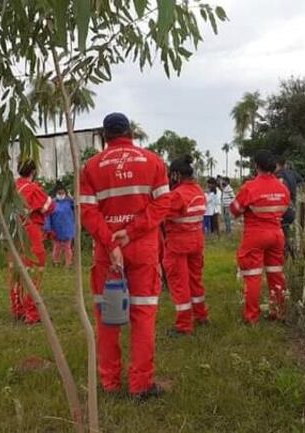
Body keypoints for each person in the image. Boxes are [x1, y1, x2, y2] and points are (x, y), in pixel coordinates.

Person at [80, 112, 171, 399]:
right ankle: (140, 385)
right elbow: (163, 205)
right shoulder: (153, 161)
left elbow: (87, 211)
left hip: (108, 253)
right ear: (131, 132)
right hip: (143, 247)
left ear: (105, 136)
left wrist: (111, 241)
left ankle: (109, 383)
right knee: (143, 315)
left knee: (108, 317)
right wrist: (131, 232)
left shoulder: (90, 167)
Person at [230, 150, 291, 324]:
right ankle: (278, 311)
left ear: (256, 166)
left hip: (256, 235)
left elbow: (234, 210)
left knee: (253, 276)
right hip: (277, 234)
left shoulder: (250, 187)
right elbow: (286, 207)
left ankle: (251, 317)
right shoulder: (282, 187)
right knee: (276, 274)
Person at [163, 155, 209, 336]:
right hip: (196, 241)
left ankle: (183, 325)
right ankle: (201, 315)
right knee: (195, 280)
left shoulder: (177, 195)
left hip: (178, 245)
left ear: (175, 175)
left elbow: (161, 214)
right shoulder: (198, 191)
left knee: (180, 283)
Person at [10, 159, 56, 325]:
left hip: (13, 235)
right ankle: (32, 312)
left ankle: (18, 310)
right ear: (33, 171)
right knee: (34, 271)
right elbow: (49, 207)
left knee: (16, 272)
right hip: (30, 232)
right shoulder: (32, 189)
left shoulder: (12, 189)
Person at [276, 156, 304, 259]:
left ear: (277, 165)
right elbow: (301, 181)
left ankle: (288, 254)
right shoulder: (293, 173)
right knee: (285, 230)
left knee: (282, 232)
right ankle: (289, 253)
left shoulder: (278, 176)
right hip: (292, 207)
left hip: (283, 208)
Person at [45, 184, 75, 267]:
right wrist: (48, 228)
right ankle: (55, 262)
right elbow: (47, 216)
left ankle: (68, 263)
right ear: (56, 193)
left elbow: (77, 206)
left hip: (68, 228)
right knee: (56, 247)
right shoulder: (52, 203)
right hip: (56, 229)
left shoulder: (69, 202)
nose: (61, 194)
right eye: (59, 193)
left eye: (62, 193)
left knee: (67, 247)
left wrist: (71, 198)